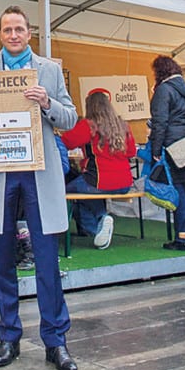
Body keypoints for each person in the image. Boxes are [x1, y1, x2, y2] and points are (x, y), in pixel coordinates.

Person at [0, 5, 78, 370]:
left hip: (38, 172)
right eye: (7, 30)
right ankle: (9, 335)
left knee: (46, 259)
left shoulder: (50, 70)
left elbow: (71, 116)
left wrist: (47, 103)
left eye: (19, 29)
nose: (13, 35)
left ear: (29, 33)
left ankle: (55, 340)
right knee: (1, 260)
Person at [60, 88, 137, 249]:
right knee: (86, 193)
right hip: (124, 183)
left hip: (97, 180)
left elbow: (65, 142)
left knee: (68, 192)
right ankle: (101, 225)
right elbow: (131, 152)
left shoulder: (88, 125)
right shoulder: (123, 125)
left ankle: (99, 224)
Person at [149, 55, 185, 250]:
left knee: (177, 191)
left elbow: (160, 121)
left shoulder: (164, 90)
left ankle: (182, 239)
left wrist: (156, 148)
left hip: (171, 144)